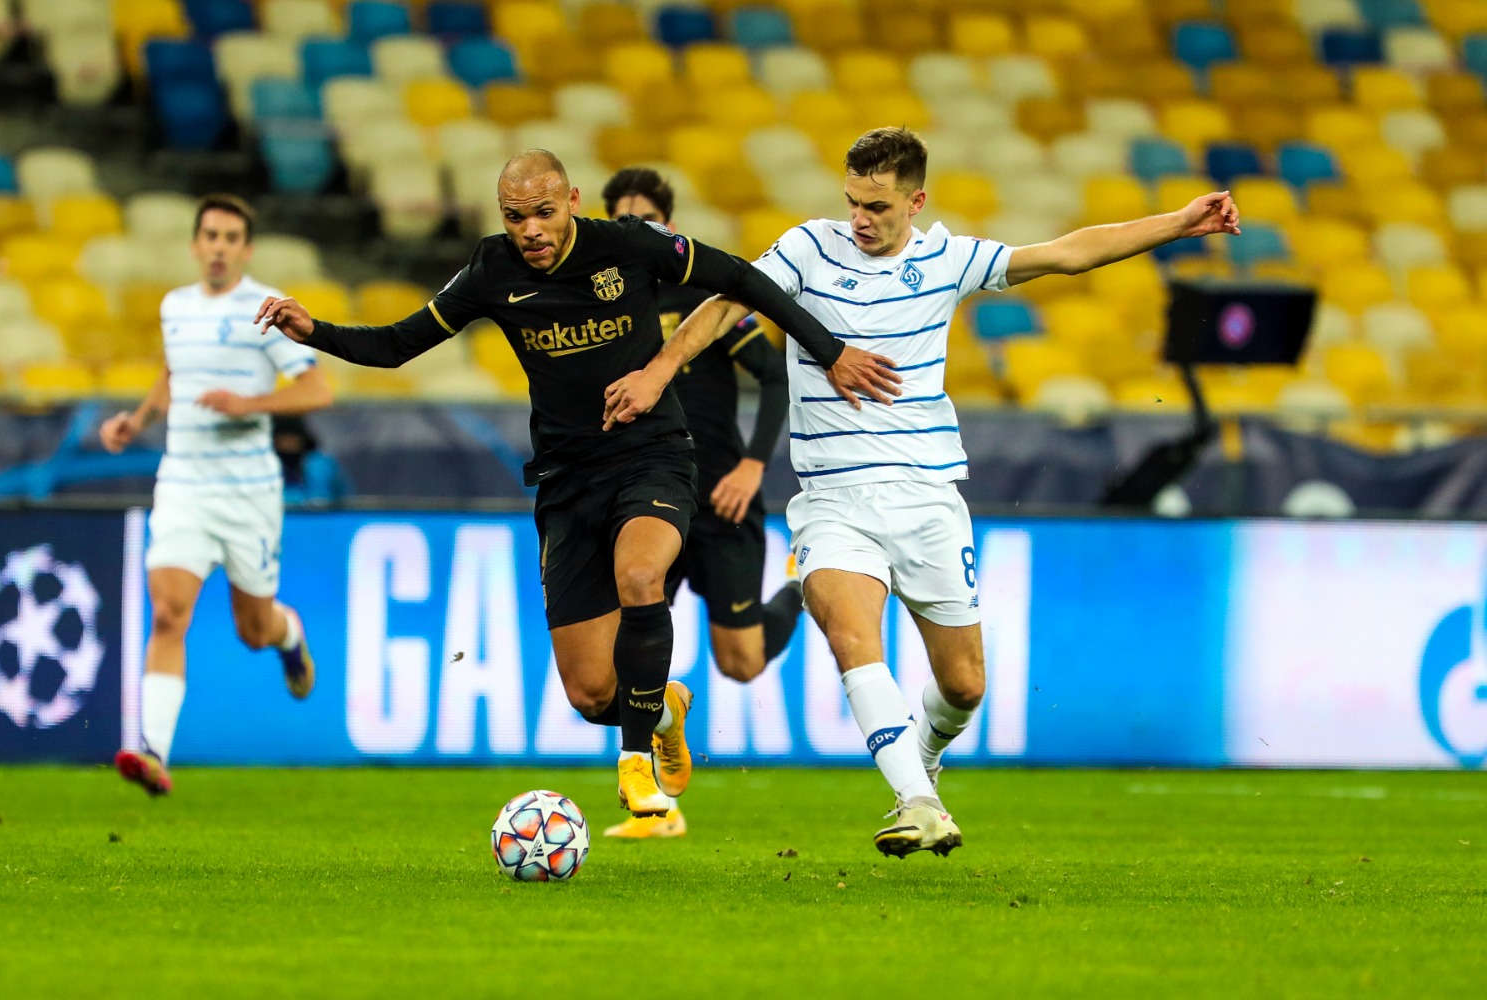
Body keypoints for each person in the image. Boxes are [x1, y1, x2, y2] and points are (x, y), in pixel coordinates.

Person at [603, 127, 1241, 855]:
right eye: (851, 201)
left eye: (875, 206)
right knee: (853, 640)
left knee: (964, 683)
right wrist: (658, 371)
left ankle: (926, 762)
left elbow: (1068, 253)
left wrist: (1180, 223)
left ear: (916, 200)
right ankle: (916, 801)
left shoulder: (949, 259)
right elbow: (722, 304)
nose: (859, 218)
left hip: (928, 496)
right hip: (834, 499)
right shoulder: (810, 249)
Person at [253, 150, 900, 819]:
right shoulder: (491, 269)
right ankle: (664, 710)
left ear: (572, 201)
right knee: (591, 694)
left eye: (542, 212)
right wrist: (316, 331)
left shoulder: (627, 246)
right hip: (566, 483)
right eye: (514, 217)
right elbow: (395, 344)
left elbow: (740, 277)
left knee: (644, 579)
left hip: (652, 458)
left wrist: (832, 352)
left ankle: (636, 764)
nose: (529, 230)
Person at [101, 193, 333, 796]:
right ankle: (153, 752)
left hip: (248, 492)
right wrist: (138, 418)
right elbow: (175, 372)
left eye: (232, 237)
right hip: (183, 482)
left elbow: (318, 389)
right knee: (170, 611)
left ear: (246, 250)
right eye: (211, 235)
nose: (220, 247)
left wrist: (248, 404)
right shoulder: (174, 307)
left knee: (251, 629)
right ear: (195, 245)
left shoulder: (264, 308)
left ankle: (289, 635)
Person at [598, 167, 805, 840]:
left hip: (721, 500)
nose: (633, 234)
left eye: (645, 222)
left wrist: (752, 465)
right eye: (620, 221)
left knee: (741, 664)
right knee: (614, 664)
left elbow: (774, 377)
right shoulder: (598, 307)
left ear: (669, 227)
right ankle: (658, 807)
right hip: (652, 500)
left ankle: (799, 586)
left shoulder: (704, 298)